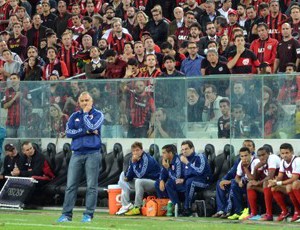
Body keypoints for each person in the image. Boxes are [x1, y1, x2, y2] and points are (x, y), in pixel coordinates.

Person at [57, 92, 104, 223]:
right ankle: (66, 215)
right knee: (71, 186)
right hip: (76, 154)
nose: (84, 103)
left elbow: (93, 126)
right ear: (79, 102)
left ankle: (88, 214)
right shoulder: (73, 116)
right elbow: (68, 133)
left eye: (87, 100)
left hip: (93, 153)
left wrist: (85, 115)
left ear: (92, 101)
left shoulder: (98, 114)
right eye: (82, 101)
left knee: (91, 186)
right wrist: (85, 132)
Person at [116, 141, 160, 215]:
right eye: (134, 151)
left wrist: (134, 163)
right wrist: (127, 178)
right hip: (142, 183)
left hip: (154, 183)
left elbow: (140, 175)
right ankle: (126, 205)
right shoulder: (134, 159)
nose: (135, 152)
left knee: (138, 181)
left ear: (142, 150)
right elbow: (129, 176)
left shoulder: (147, 159)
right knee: (122, 175)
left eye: (137, 150)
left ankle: (137, 207)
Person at [245, 146, 280, 221]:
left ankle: (269, 214)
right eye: (259, 155)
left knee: (266, 182)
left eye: (263, 155)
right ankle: (253, 213)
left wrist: (258, 183)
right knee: (250, 185)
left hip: (279, 183)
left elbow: (270, 176)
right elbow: (254, 178)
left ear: (268, 154)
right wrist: (255, 168)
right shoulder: (260, 162)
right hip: (270, 185)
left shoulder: (272, 158)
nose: (261, 157)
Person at [268, 143, 300, 222]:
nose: (285, 155)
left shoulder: (297, 160)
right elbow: (280, 176)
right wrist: (274, 181)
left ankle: (297, 211)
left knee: (293, 184)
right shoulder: (282, 162)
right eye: (282, 153)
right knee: (274, 188)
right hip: (293, 185)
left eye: (287, 153)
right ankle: (285, 211)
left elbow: (294, 178)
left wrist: (278, 183)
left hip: (296, 183)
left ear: (292, 152)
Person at [180, 140, 212, 216]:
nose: (184, 151)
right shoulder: (182, 158)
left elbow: (199, 172)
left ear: (192, 149)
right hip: (189, 180)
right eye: (183, 149)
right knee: (171, 184)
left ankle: (187, 208)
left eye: (186, 149)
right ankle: (176, 207)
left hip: (204, 182)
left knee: (190, 182)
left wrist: (187, 163)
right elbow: (183, 173)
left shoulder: (200, 156)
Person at [227, 146, 260, 220]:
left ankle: (249, 211)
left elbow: (253, 178)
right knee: (234, 185)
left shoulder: (255, 161)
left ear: (250, 154)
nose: (244, 158)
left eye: (246, 155)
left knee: (249, 185)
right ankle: (239, 211)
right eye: (242, 156)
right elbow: (237, 177)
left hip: (257, 185)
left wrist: (245, 168)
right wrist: (239, 182)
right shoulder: (241, 163)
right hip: (247, 183)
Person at [155, 144, 185, 216]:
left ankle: (177, 207)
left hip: (182, 183)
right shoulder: (166, 160)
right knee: (157, 183)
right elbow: (162, 173)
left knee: (169, 183)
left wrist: (168, 168)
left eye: (164, 153)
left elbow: (177, 178)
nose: (162, 155)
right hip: (172, 182)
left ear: (170, 153)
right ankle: (163, 205)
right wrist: (162, 180)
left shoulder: (178, 161)